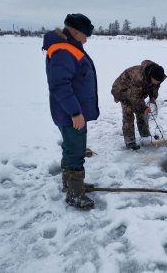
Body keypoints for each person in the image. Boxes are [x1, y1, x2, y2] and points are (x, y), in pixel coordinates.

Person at [42, 13, 99, 210]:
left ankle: (71, 184)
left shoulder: (69, 47)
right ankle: (75, 194)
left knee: (70, 147)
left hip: (69, 111)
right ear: (75, 31)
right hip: (70, 113)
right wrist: (75, 112)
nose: (87, 38)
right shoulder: (64, 51)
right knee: (75, 150)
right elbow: (60, 85)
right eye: (86, 34)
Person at [111, 60, 167, 150]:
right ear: (150, 76)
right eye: (155, 81)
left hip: (137, 91)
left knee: (142, 113)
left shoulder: (157, 73)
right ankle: (130, 142)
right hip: (122, 90)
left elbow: (155, 86)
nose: (157, 83)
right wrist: (144, 107)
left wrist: (153, 97)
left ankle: (145, 136)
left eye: (158, 81)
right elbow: (134, 96)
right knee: (128, 114)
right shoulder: (138, 77)